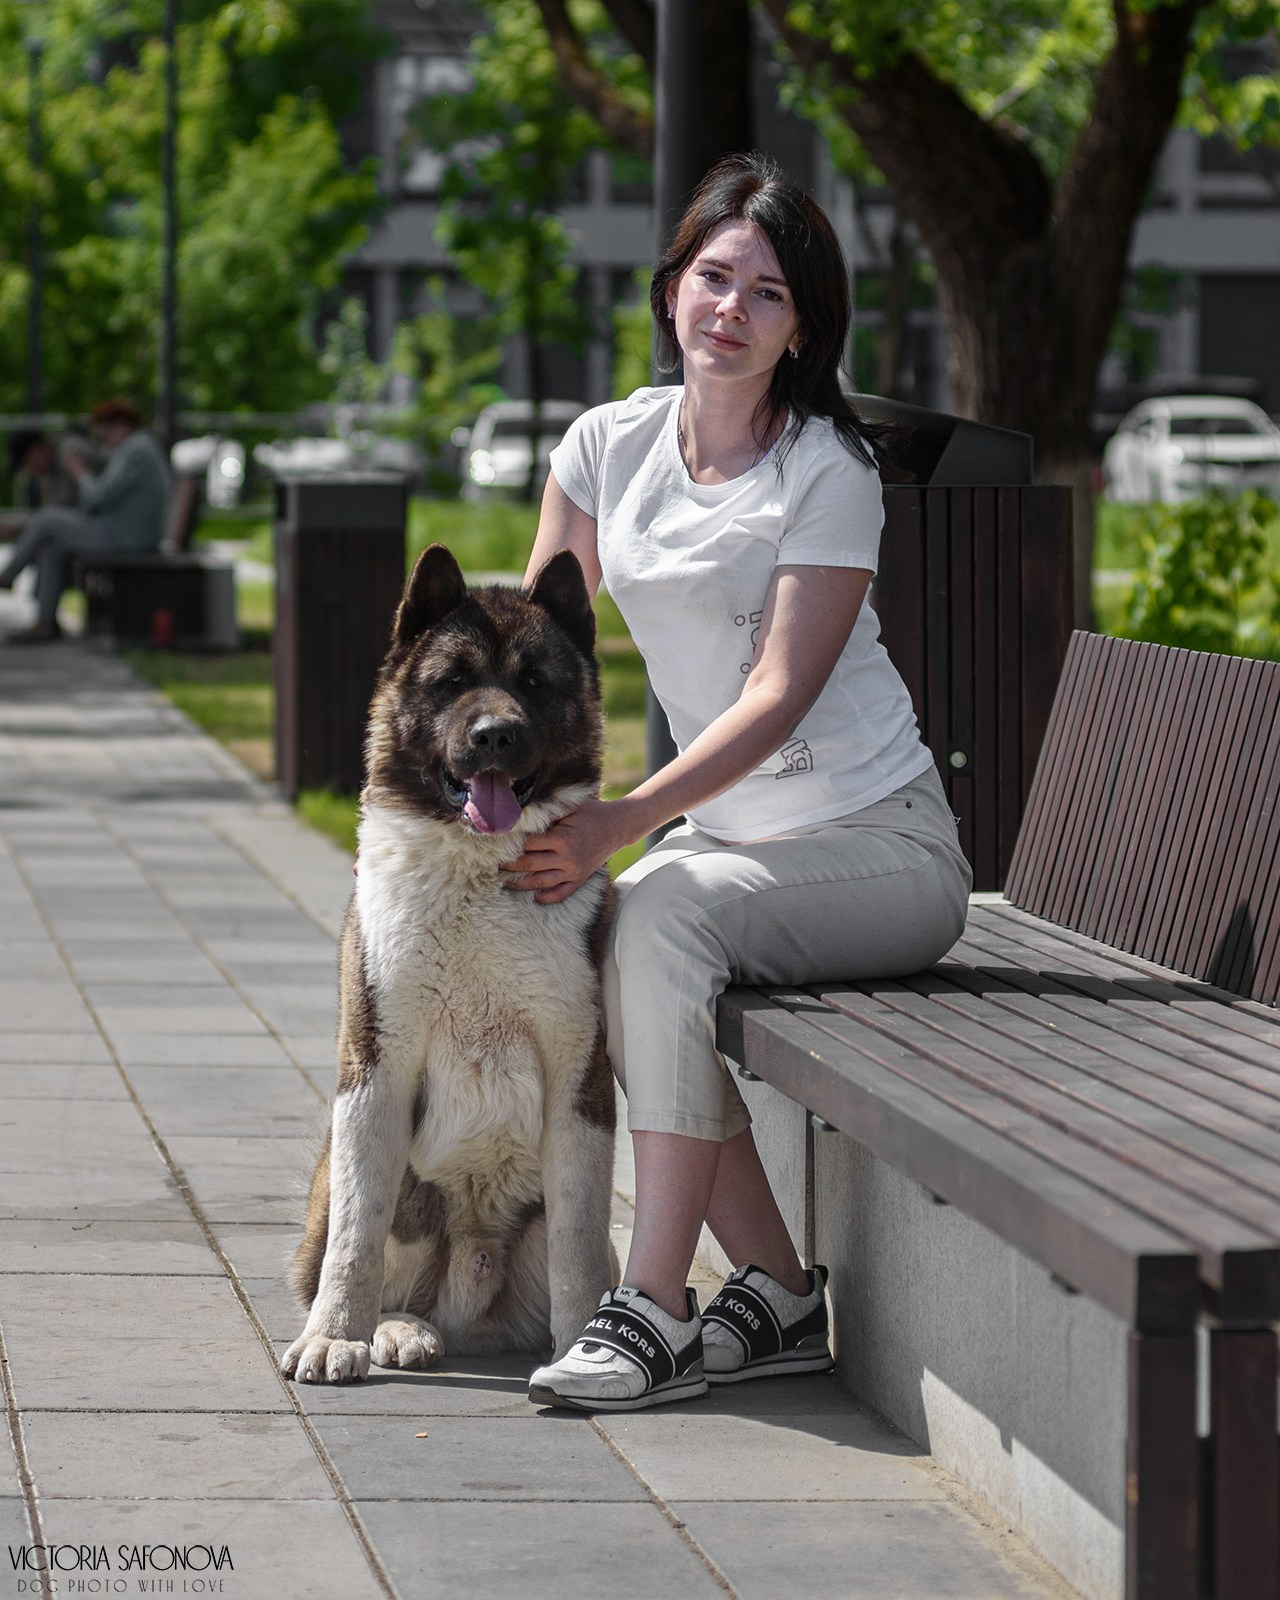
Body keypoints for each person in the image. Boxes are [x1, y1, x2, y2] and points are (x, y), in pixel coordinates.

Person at [505, 153, 973, 1413]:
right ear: (670, 288)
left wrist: (622, 820)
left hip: (879, 848)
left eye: (767, 293)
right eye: (713, 277)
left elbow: (777, 694)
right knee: (629, 931)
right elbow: (541, 650)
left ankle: (655, 1307)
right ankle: (772, 1288)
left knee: (655, 910)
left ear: (800, 330)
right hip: (733, 851)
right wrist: (492, 794)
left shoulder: (825, 469)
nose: (731, 309)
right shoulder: (604, 446)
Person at [0, 399, 170, 642]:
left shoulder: (135, 449)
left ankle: (7, 576)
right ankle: (45, 623)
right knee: (52, 546)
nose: (103, 442)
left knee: (47, 519)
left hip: (128, 536)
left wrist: (79, 470)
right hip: (123, 530)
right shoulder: (136, 447)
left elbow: (97, 497)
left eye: (104, 435)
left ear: (120, 425)